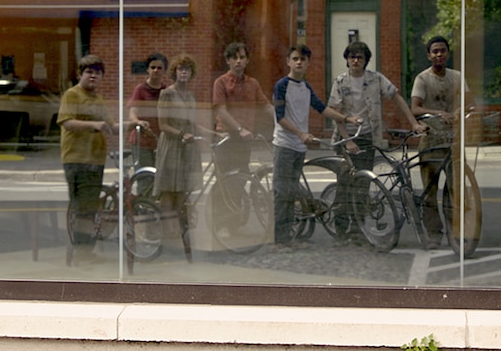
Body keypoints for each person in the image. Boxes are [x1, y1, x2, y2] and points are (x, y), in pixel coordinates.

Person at [328, 41, 427, 241]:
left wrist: (413, 123)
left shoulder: (375, 79)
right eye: (352, 57)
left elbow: (397, 97)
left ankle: (358, 230)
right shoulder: (340, 82)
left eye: (360, 57)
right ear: (347, 59)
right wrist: (347, 140)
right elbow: (335, 113)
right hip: (344, 138)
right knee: (345, 183)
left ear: (366, 61)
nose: (355, 61)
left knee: (363, 184)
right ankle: (341, 228)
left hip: (365, 137)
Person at [272, 44, 361, 247]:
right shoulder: (281, 86)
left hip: (299, 147)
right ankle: (280, 240)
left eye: (303, 59)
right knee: (282, 192)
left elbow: (322, 109)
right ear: (288, 61)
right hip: (285, 145)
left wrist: (348, 119)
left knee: (292, 191)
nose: (298, 62)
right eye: (295, 59)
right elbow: (280, 118)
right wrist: (301, 133)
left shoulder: (305, 87)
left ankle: (290, 237)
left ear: (308, 63)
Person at [57, 54, 135, 263]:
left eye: (98, 73)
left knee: (90, 207)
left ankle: (85, 251)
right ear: (80, 74)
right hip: (77, 159)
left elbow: (111, 127)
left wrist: (133, 125)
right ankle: (81, 252)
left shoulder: (98, 99)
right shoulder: (72, 95)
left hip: (95, 160)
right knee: (83, 208)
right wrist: (93, 125)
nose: (93, 77)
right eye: (89, 72)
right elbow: (66, 122)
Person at [410, 36, 472, 249]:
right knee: (430, 191)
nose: (439, 54)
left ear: (448, 53)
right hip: (430, 142)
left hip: (453, 142)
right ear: (429, 55)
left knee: (457, 190)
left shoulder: (457, 77)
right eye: (435, 51)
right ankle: (434, 234)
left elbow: (468, 103)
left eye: (442, 51)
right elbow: (415, 109)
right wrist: (439, 113)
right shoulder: (422, 79)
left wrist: (459, 110)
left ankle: (457, 233)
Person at [153, 54, 203, 246]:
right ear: (175, 72)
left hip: (187, 147)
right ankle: (168, 230)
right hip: (172, 144)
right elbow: (163, 124)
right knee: (168, 190)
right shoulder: (167, 94)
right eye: (180, 69)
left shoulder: (190, 96)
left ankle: (179, 228)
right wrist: (181, 134)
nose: (183, 72)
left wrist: (212, 134)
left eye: (187, 69)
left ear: (191, 73)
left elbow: (194, 123)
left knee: (182, 189)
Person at [212, 42, 274, 175]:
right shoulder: (221, 82)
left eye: (242, 57)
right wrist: (239, 129)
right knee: (224, 179)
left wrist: (282, 121)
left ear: (247, 60)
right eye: (234, 58)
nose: (238, 61)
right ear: (228, 61)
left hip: (245, 137)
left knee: (242, 175)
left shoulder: (252, 83)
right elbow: (221, 110)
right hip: (227, 135)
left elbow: (266, 106)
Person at [127, 52, 168, 168]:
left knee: (160, 178)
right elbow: (132, 112)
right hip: (142, 141)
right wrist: (137, 121)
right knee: (145, 177)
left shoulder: (167, 91)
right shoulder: (140, 89)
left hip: (160, 141)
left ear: (164, 71)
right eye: (152, 67)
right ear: (147, 70)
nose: (156, 70)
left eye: (159, 68)